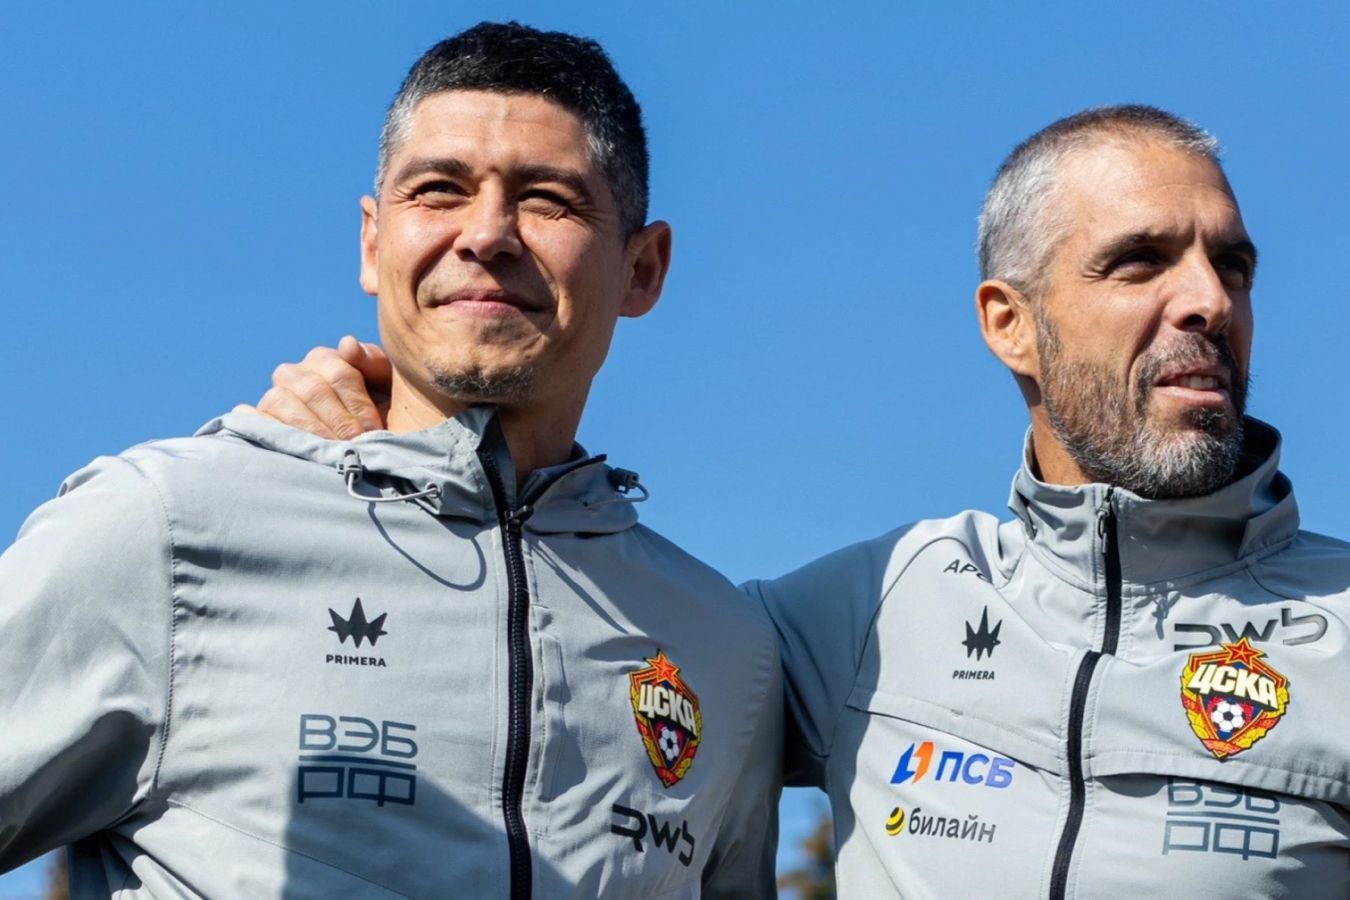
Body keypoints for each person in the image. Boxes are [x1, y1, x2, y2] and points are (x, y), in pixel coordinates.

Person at [267, 105, 1350, 897]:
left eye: (1233, 266)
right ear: (1009, 323)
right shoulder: (870, 608)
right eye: (1141, 262)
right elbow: (571, 623)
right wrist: (379, 450)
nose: (1209, 301)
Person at [0, 23, 782, 898]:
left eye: (547, 200)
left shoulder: (728, 650)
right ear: (373, 244)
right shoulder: (166, 530)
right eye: (440, 190)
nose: (486, 234)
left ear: (643, 268)